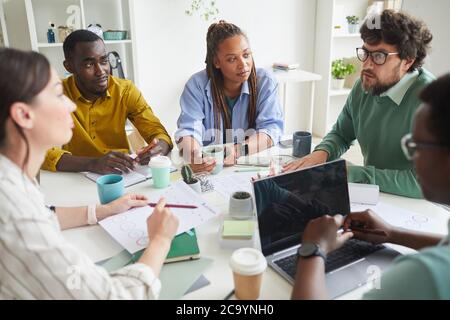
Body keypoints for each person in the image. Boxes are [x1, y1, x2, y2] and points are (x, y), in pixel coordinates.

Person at [0, 48, 179, 299]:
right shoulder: (13, 214)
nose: (71, 104)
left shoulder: (12, 182)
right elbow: (112, 297)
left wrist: (101, 210)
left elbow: (43, 214)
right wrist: (161, 240)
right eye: (59, 95)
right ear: (23, 114)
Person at [291, 74, 450, 300]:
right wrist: (393, 234)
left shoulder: (425, 275)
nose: (412, 158)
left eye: (416, 146)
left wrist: (312, 250)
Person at [284, 10, 434, 199]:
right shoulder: (364, 86)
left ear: (408, 60)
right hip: (377, 195)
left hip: (424, 207)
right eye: (365, 53)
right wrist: (321, 153)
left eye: (379, 56)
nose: (367, 65)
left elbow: (428, 182)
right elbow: (341, 133)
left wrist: (356, 174)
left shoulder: (433, 103)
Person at [42, 30, 173, 175]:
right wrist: (92, 163)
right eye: (89, 65)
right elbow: (40, 150)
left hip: (123, 175)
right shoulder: (55, 93)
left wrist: (158, 148)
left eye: (104, 61)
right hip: (77, 176)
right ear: (69, 66)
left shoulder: (125, 90)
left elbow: (158, 133)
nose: (101, 71)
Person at [175, 20, 283, 173]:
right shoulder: (196, 85)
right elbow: (188, 130)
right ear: (217, 62)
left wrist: (239, 150)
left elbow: (271, 129)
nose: (243, 64)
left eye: (246, 55)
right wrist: (194, 156)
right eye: (232, 59)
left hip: (249, 163)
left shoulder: (265, 82)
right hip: (210, 169)